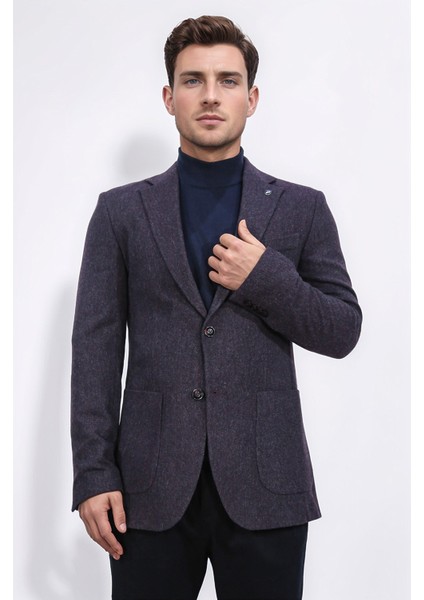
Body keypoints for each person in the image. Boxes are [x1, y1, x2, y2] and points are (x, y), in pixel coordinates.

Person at [71, 15, 362, 600]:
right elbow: (94, 351)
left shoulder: (302, 208)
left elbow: (342, 330)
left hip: (267, 483)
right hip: (148, 488)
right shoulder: (120, 212)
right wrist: (93, 473)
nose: (210, 95)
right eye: (193, 80)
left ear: (251, 99)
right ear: (169, 97)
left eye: (228, 80)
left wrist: (265, 277)